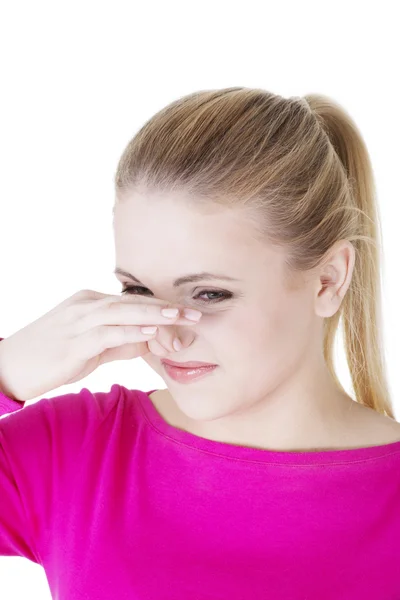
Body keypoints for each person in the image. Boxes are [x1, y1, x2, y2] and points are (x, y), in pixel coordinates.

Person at [1, 86, 400, 599]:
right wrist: (7, 368)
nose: (168, 335)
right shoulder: (75, 453)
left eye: (210, 293)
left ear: (328, 280)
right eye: (138, 290)